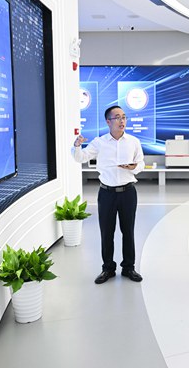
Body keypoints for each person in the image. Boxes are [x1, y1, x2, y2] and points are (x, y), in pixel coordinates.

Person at [72, 106, 145, 284]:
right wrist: (77, 146)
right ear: (108, 122)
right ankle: (108, 269)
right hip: (107, 193)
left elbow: (141, 162)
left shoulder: (133, 141)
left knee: (128, 231)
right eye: (117, 117)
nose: (122, 121)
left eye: (124, 117)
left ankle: (129, 268)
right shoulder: (99, 142)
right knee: (107, 232)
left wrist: (134, 167)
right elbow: (80, 158)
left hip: (128, 192)